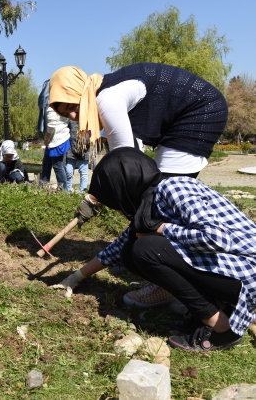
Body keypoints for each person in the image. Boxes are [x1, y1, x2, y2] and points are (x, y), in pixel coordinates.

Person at [50, 62, 228, 308]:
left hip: (199, 112)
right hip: (188, 115)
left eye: (72, 107)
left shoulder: (107, 100)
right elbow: (128, 166)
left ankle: (176, 285)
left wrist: (78, 276)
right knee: (151, 216)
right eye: (64, 113)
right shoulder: (104, 92)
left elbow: (127, 165)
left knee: (156, 210)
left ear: (82, 92)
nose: (72, 116)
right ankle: (173, 271)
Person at [51, 148, 255, 352]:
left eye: (114, 201)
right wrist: (75, 278)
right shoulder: (147, 206)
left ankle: (221, 328)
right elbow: (117, 249)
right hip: (232, 272)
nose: (115, 209)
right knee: (131, 251)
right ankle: (219, 310)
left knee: (146, 249)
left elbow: (217, 239)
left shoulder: (174, 188)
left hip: (248, 270)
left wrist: (162, 229)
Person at [40, 106, 69, 190]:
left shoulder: (52, 107)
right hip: (59, 138)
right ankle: (43, 184)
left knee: (57, 165)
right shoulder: (61, 105)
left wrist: (47, 139)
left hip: (56, 140)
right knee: (46, 163)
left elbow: (51, 125)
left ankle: (64, 189)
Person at [64, 120, 90, 194]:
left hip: (84, 150)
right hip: (71, 149)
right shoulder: (71, 118)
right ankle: (68, 191)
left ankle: (82, 192)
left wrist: (87, 140)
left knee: (83, 172)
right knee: (68, 171)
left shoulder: (87, 117)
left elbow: (91, 130)